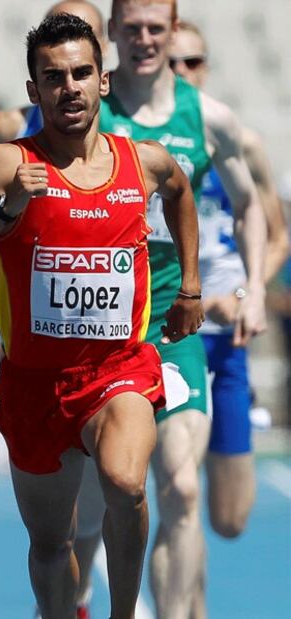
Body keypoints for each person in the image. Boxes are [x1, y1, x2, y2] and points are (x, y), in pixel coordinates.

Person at [0, 13, 205, 619]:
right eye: (54, 77)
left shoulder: (144, 163)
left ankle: (124, 614)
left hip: (118, 371)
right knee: (51, 548)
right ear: (34, 91)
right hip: (34, 386)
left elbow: (182, 193)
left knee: (127, 484)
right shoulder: (7, 164)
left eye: (82, 73)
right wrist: (6, 213)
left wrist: (189, 286)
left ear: (103, 81)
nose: (70, 87)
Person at [93, 2, 267, 618]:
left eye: (155, 28)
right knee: (91, 503)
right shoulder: (88, 108)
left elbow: (251, 205)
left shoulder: (208, 119)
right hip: (98, 328)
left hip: (172, 325)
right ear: (111, 31)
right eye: (131, 27)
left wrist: (255, 289)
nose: (143, 39)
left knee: (183, 486)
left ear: (171, 31)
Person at [169, 19, 289, 617]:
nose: (183, 74)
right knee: (177, 495)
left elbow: (277, 235)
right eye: (173, 63)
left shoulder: (237, 139)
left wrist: (246, 292)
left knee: (231, 518)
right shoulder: (147, 142)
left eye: (194, 63)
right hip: (166, 342)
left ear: (207, 67)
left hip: (227, 344)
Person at [0, 0, 108, 193]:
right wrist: (6, 211)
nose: (67, 42)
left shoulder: (132, 135)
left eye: (83, 32)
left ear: (103, 45)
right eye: (57, 30)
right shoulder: (9, 126)